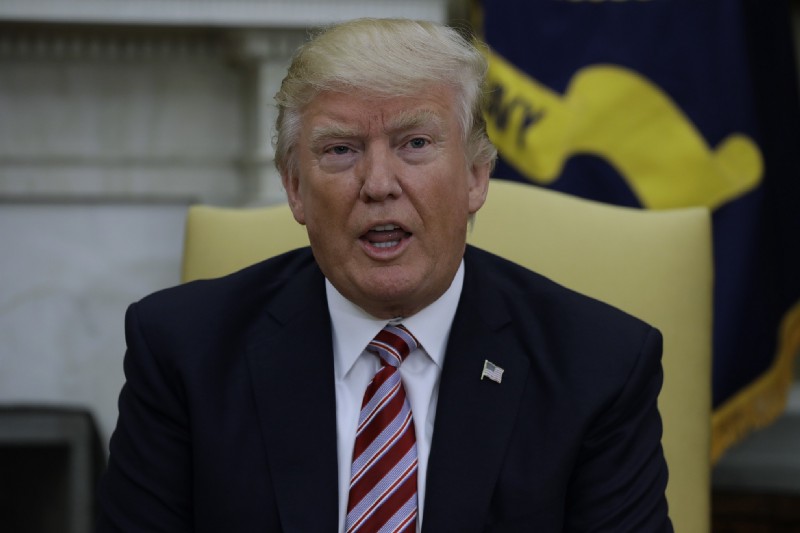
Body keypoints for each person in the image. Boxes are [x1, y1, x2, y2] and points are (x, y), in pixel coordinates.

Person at [96, 18, 673, 532]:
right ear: (294, 188)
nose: (378, 184)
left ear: (476, 176)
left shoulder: (599, 366)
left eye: (415, 144)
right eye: (342, 150)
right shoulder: (183, 350)